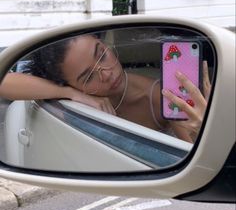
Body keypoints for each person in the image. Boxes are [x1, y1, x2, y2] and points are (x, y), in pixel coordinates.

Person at [0, 34, 211, 143]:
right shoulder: (73, 93)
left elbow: (196, 163)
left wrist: (203, 128)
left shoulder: (160, 96)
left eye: (101, 54)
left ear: (104, 43)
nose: (107, 73)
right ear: (72, 84)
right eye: (89, 76)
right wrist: (68, 93)